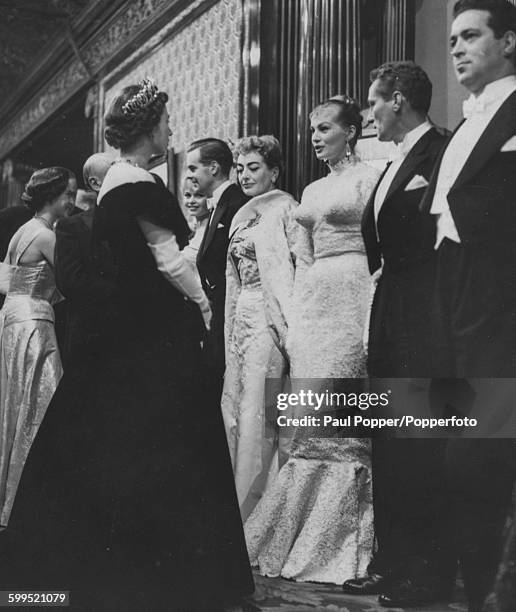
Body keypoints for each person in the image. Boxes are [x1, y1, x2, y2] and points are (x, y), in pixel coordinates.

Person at [0, 79, 253, 611]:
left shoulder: (115, 179)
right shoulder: (138, 181)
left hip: (121, 334)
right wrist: (206, 307)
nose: (169, 130)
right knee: (169, 443)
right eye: (164, 122)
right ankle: (170, 570)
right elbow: (168, 259)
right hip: (153, 332)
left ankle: (107, 564)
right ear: (147, 129)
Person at [244, 96, 380, 584]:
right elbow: (300, 255)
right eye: (312, 130)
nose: (316, 137)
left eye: (325, 128)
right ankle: (297, 531)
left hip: (353, 291)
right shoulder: (311, 186)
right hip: (314, 298)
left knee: (341, 413)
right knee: (307, 412)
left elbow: (381, 246)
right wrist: (296, 315)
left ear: (353, 131)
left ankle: (342, 540)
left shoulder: (372, 177)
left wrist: (371, 309)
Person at [343, 62, 453, 608]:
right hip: (390, 312)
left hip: (424, 317)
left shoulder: (442, 151)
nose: (369, 113)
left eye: (374, 102)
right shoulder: (388, 164)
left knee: (419, 444)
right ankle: (391, 561)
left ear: (400, 100)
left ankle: (426, 573)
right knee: (389, 439)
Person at [418, 2, 516, 610]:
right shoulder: (461, 128)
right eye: (451, 38)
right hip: (449, 305)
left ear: (509, 43)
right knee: (458, 456)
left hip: (501, 308)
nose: (456, 48)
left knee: (481, 454)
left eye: (471, 36)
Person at [221, 135, 298, 521]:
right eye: (240, 168)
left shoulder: (287, 207)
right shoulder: (242, 213)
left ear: (274, 171)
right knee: (236, 406)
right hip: (240, 317)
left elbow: (293, 268)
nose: (245, 174)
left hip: (269, 319)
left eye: (254, 168)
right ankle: (235, 507)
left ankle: (258, 511)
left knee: (260, 407)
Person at [0, 167, 76, 527]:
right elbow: (73, 279)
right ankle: (34, 499)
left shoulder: (21, 231)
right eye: (68, 194)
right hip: (33, 324)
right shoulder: (45, 235)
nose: (72, 201)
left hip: (13, 320)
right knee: (41, 406)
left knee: (15, 405)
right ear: (52, 196)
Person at [186, 138, 248, 391]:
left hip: (230, 312)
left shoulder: (236, 204)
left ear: (213, 168)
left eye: (192, 168)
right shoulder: (218, 204)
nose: (189, 176)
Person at [54, 152, 117, 367]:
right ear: (95, 183)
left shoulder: (138, 223)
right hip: (92, 336)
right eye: (116, 173)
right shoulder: (72, 227)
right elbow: (70, 282)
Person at [181, 176, 210, 268]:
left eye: (199, 195)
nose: (191, 201)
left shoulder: (213, 228)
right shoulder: (194, 227)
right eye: (188, 195)